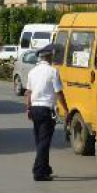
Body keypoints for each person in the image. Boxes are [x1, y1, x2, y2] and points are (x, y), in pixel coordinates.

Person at [25, 44, 69, 182]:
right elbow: (59, 92)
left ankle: (44, 168)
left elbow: (29, 92)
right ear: (49, 57)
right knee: (44, 142)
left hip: (34, 109)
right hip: (46, 110)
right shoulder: (53, 71)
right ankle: (38, 172)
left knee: (39, 140)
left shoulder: (32, 72)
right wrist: (66, 109)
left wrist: (28, 108)